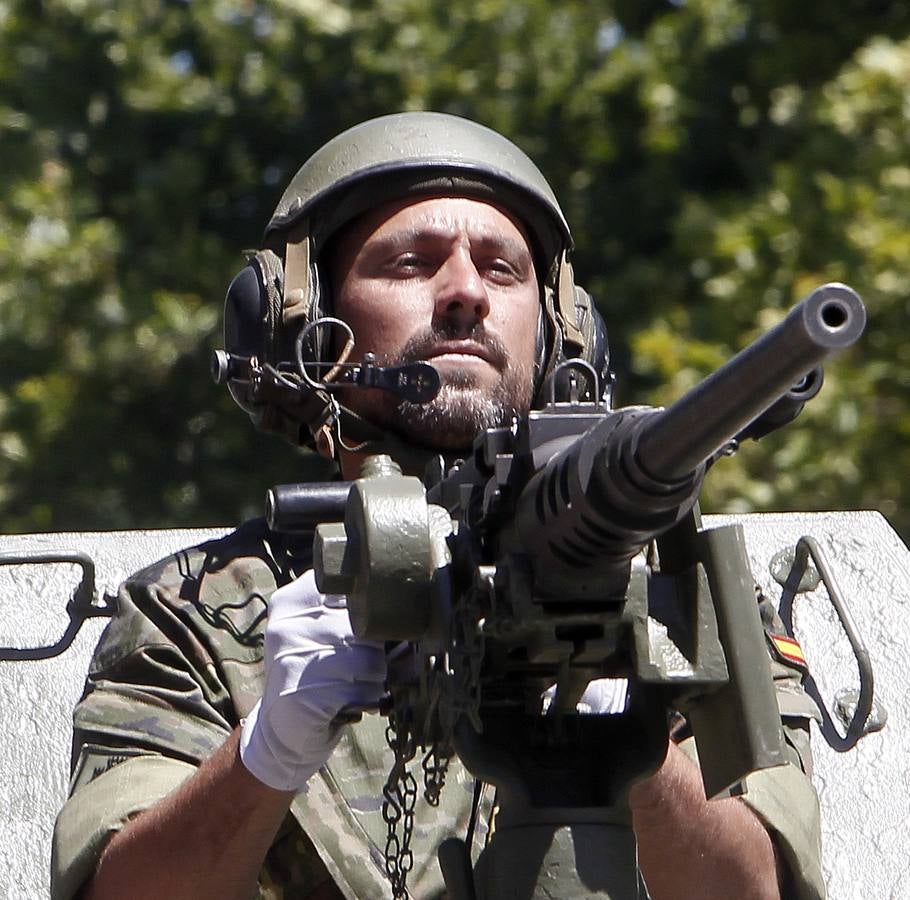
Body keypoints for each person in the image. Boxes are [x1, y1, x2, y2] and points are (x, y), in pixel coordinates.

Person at [51, 112, 824, 900]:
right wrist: (265, 755)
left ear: (563, 331)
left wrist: (629, 742)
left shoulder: (662, 587)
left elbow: (757, 886)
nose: (464, 295)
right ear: (304, 322)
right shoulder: (199, 612)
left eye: (502, 269)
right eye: (411, 263)